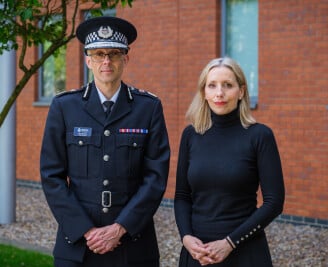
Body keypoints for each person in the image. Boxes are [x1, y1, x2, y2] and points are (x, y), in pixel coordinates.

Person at [40, 16, 170, 267]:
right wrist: (86, 231)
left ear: (126, 58)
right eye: (99, 54)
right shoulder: (64, 107)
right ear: (88, 60)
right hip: (78, 244)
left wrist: (119, 228)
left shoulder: (148, 108)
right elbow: (51, 175)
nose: (106, 61)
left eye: (114, 53)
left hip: (133, 244)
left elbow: (156, 177)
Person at [174, 57, 285, 267]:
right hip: (198, 253)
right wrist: (186, 237)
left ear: (241, 91)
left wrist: (229, 243)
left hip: (245, 252)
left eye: (228, 85)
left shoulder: (259, 136)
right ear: (203, 92)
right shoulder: (191, 135)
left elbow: (274, 202)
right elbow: (181, 196)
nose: (219, 93)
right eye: (212, 85)